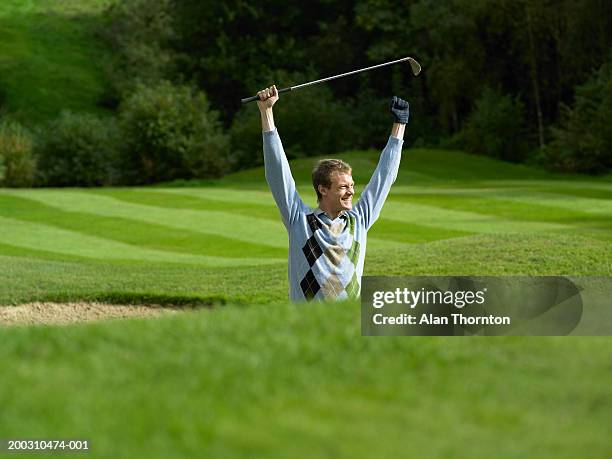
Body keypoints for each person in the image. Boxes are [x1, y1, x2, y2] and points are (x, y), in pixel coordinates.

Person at [258, 85, 409, 301]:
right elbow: (277, 172)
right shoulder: (299, 220)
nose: (351, 192)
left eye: (352, 186)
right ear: (323, 189)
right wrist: (266, 111)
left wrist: (399, 126)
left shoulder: (360, 220)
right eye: (343, 187)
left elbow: (384, 178)